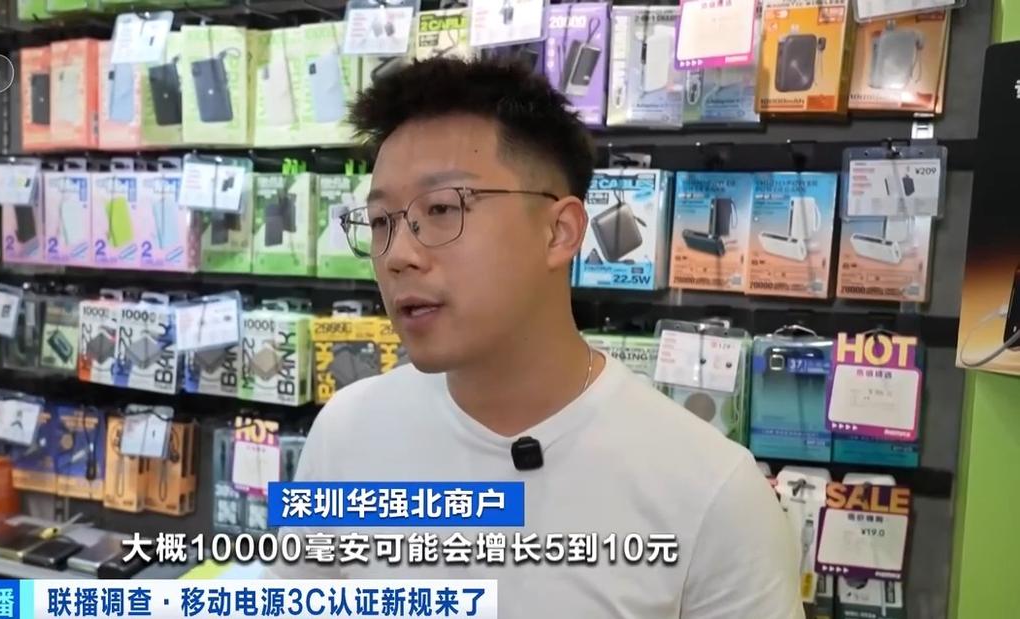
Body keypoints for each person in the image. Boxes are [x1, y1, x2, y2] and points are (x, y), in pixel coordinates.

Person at [270, 58, 802, 618]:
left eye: (442, 208)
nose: (399, 255)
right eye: (382, 222)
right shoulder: (347, 432)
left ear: (559, 231)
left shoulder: (714, 493)